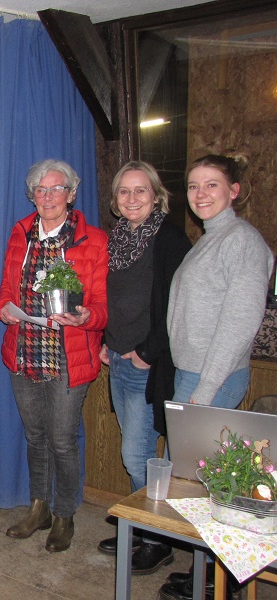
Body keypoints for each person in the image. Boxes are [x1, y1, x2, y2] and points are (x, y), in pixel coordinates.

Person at [159, 154, 273, 600]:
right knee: (197, 479)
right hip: (194, 373)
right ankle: (204, 569)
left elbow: (239, 324)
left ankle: (212, 580)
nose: (200, 194)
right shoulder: (210, 238)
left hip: (212, 376)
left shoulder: (242, 241)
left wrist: (204, 391)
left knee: (205, 484)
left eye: (211, 185)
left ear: (234, 191)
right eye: (193, 186)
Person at [0, 159, 108, 553]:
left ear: (72, 195)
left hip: (67, 354)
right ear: (32, 195)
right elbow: (7, 287)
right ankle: (38, 507)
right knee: (35, 435)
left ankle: (65, 514)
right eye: (40, 190)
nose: (47, 197)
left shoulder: (94, 240)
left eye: (56, 189)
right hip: (24, 348)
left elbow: (102, 307)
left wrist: (85, 316)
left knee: (62, 439)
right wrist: (4, 308)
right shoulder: (20, 232)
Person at [95, 161, 191, 573]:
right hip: (117, 356)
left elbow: (176, 307)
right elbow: (109, 298)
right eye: (124, 192)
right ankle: (142, 528)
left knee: (137, 457)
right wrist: (104, 341)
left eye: (140, 191)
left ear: (156, 195)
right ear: (115, 200)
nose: (132, 198)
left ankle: (156, 539)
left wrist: (146, 353)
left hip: (146, 363)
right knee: (135, 453)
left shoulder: (168, 239)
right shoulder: (116, 239)